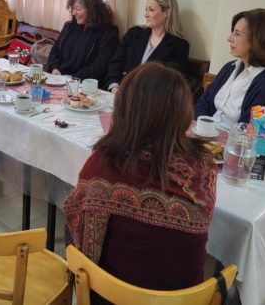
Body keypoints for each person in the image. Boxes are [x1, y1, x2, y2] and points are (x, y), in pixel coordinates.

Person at [65, 63, 216, 300]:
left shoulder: (102, 166)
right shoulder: (204, 168)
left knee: (74, 216)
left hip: (112, 297)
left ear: (125, 110)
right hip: (185, 300)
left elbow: (77, 227)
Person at [195, 8, 265, 142]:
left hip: (233, 147)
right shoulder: (229, 67)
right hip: (206, 136)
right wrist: (203, 130)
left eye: (237, 34)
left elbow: (250, 135)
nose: (229, 38)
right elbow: (203, 103)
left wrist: (210, 138)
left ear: (258, 40)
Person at [104, 0, 189, 92]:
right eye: (146, 9)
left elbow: (171, 83)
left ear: (167, 12)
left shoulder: (180, 45)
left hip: (150, 97)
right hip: (120, 90)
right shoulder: (134, 33)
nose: (146, 15)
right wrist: (114, 86)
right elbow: (116, 63)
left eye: (151, 10)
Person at [47, 0, 119, 85]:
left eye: (78, 9)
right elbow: (55, 48)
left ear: (91, 11)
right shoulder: (69, 26)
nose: (74, 13)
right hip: (59, 77)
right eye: (73, 9)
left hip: (84, 83)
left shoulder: (108, 33)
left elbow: (100, 66)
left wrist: (73, 78)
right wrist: (54, 68)